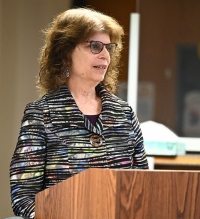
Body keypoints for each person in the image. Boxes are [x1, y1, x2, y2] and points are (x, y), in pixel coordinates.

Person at [10, 7, 148, 218]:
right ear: (66, 53)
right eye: (95, 46)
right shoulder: (41, 113)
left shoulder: (124, 113)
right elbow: (24, 197)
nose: (105, 55)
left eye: (109, 48)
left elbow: (142, 186)